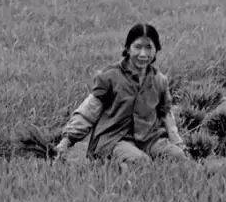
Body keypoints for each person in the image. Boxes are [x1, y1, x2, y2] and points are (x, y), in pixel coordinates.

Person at [55, 23, 187, 166]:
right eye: (138, 47)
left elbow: (166, 114)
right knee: (141, 162)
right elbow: (88, 111)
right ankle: (109, 166)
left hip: (148, 138)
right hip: (114, 139)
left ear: (156, 50)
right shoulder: (110, 77)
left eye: (149, 47)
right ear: (128, 49)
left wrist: (178, 144)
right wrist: (66, 140)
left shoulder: (159, 80)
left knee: (177, 157)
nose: (143, 54)